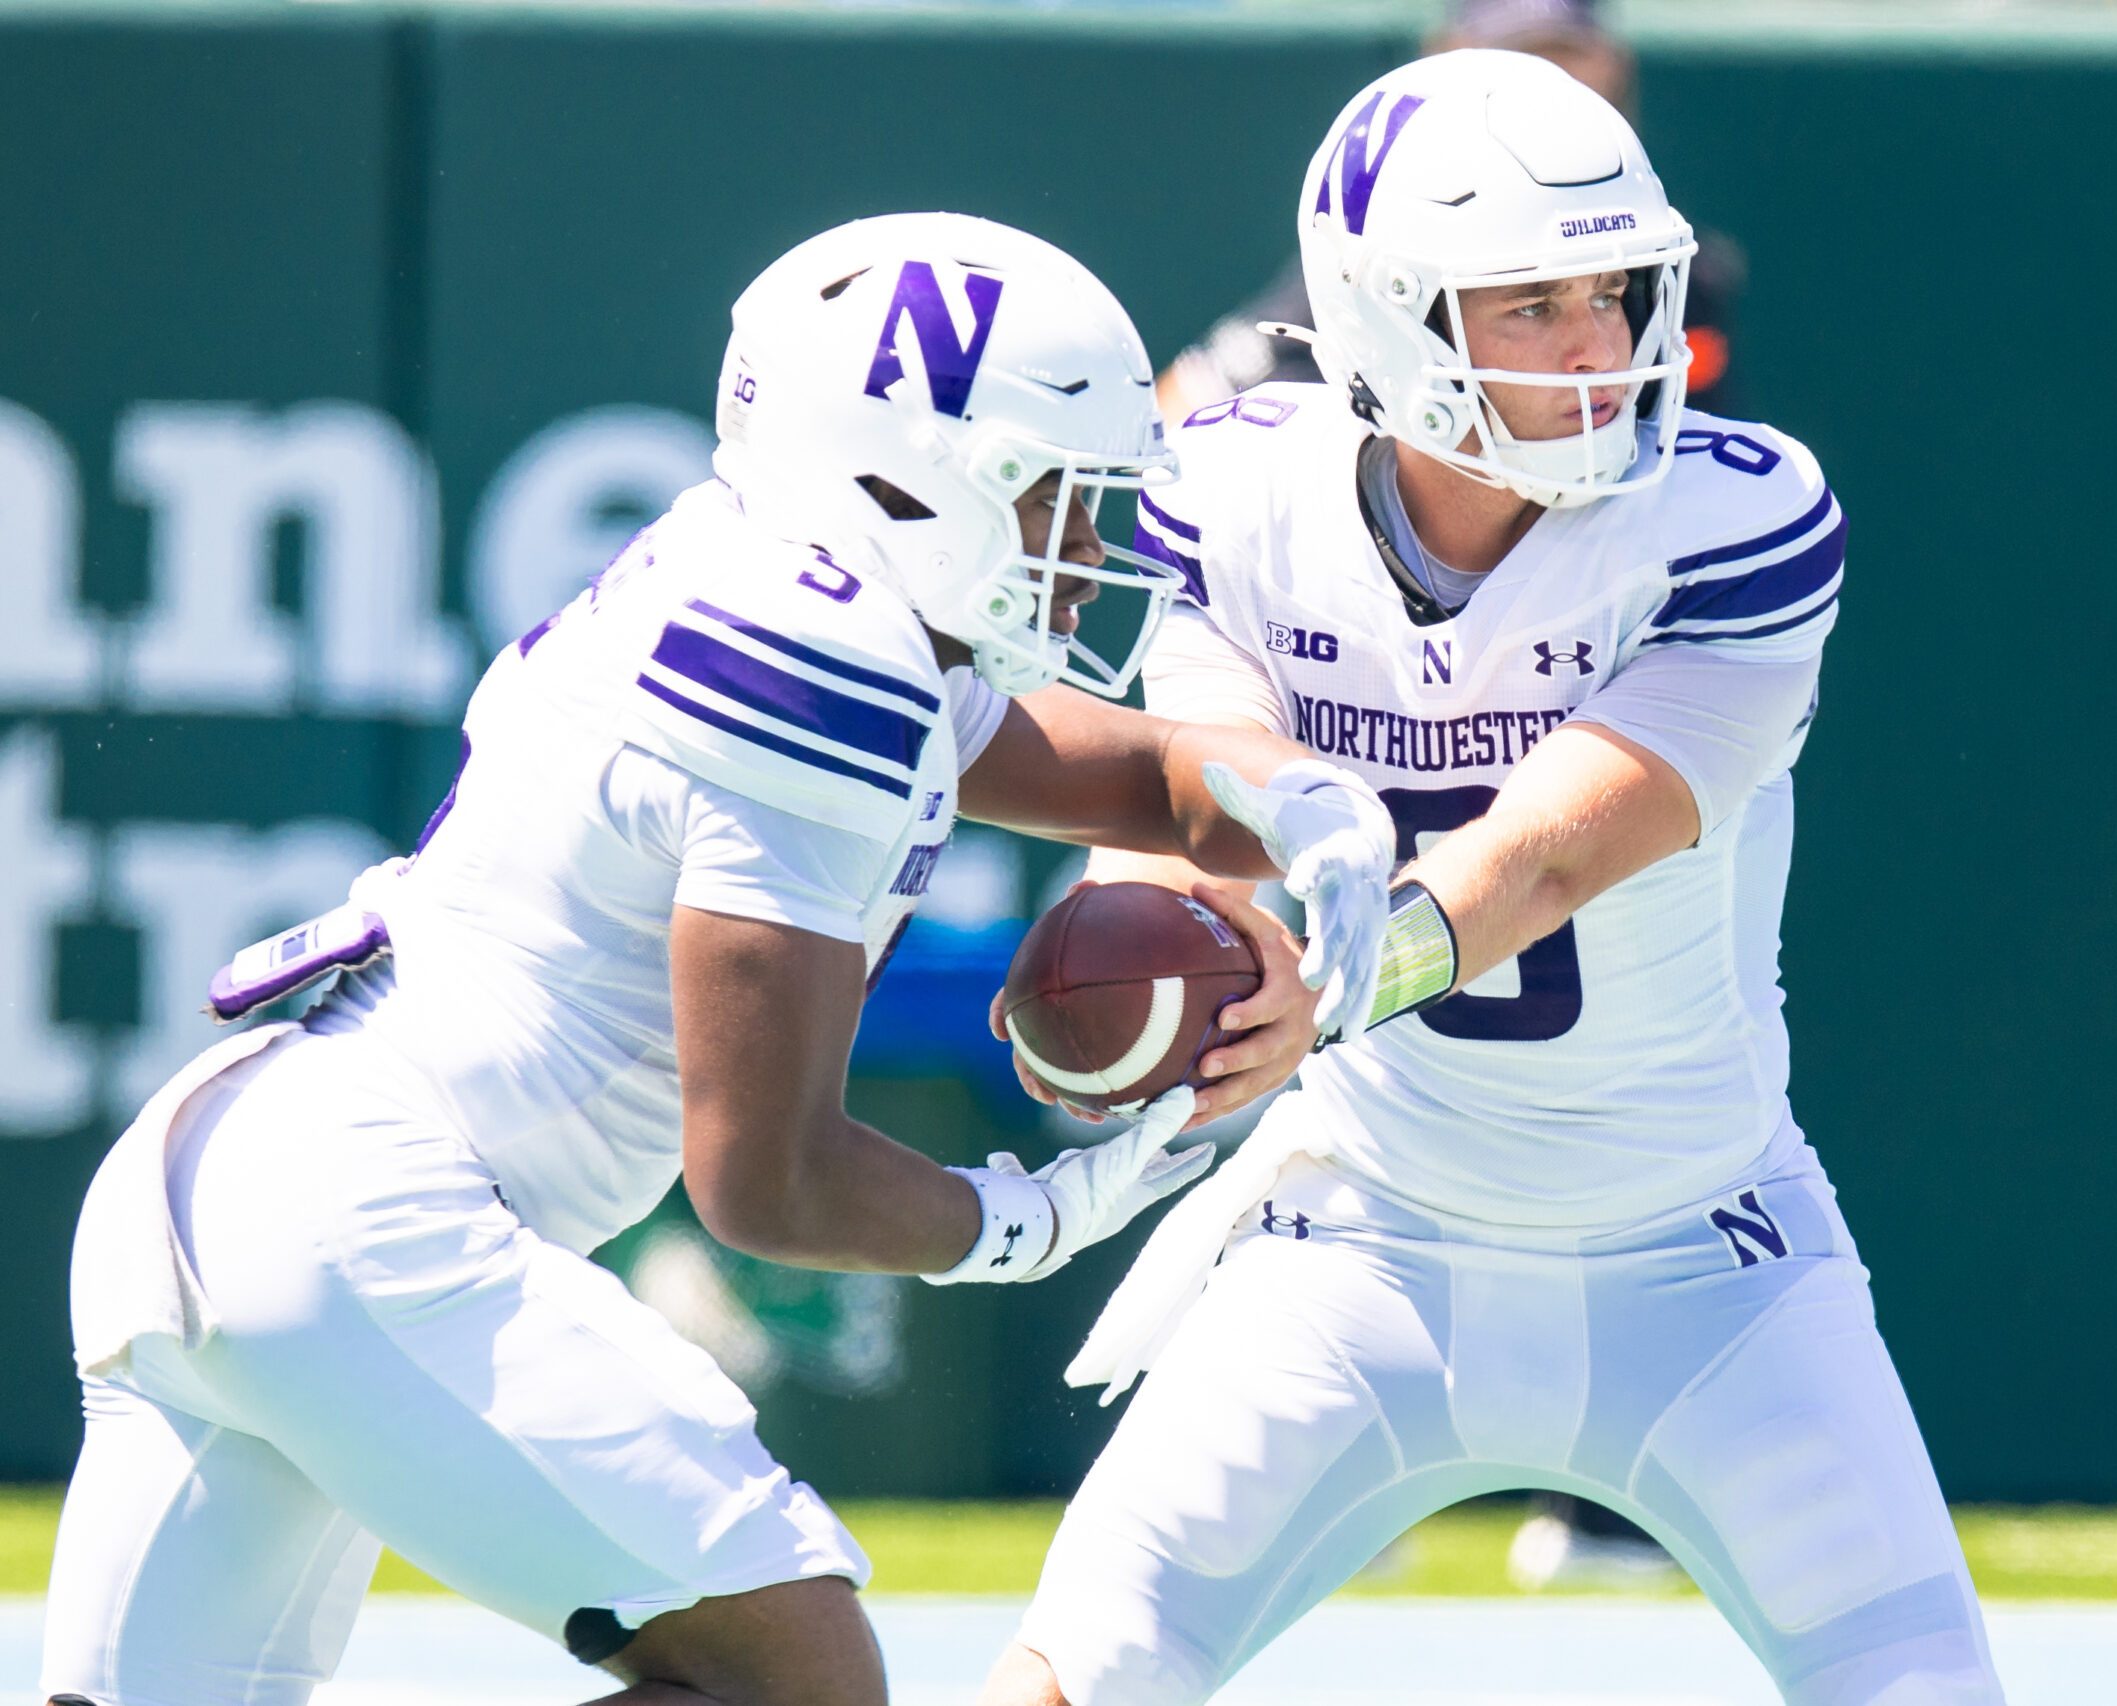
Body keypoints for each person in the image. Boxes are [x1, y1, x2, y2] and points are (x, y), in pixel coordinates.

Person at [39, 213, 1396, 1706]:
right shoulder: (826, 661)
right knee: (795, 1677)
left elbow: (1110, 770)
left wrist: (1289, 793)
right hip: (366, 1206)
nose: (1088, 551)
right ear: (904, 480)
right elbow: (768, 1180)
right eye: (1048, 498)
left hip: (227, 1162)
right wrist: (1028, 1220)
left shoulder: (787, 584)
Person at [979, 54, 2004, 1706]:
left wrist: (1322, 991)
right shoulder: (1240, 486)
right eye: (1534, 303)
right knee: (1073, 1675)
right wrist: (1159, 957)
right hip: (1356, 1243)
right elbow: (1206, 794)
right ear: (1386, 319)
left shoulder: (1734, 517)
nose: (1600, 344)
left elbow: (1550, 852)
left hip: (1711, 1259)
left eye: (1614, 292)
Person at [1154, 0, 1748, 427]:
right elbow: (1182, 403)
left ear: (1614, 65)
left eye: (1609, 295)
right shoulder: (1391, 255)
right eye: (1532, 303)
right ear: (1446, 58)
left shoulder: (1680, 263)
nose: (1544, 83)